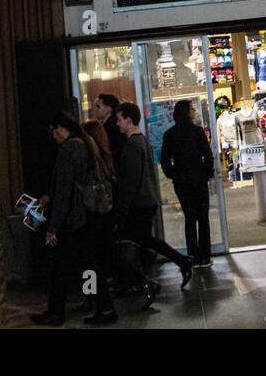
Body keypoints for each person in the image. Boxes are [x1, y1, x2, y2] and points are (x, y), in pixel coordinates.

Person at [31, 113, 117, 327]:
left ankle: (89, 309)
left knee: (69, 266)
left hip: (74, 219)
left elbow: (65, 188)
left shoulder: (70, 148)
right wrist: (49, 195)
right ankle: (99, 307)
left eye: (53, 131)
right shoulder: (84, 143)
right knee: (85, 264)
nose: (53, 136)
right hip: (85, 216)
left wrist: (54, 227)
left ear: (61, 128)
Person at [111, 102, 193, 305]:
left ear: (129, 120)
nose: (117, 124)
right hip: (147, 201)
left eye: (119, 119)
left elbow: (131, 180)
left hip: (137, 205)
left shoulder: (132, 146)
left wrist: (122, 208)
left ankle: (146, 280)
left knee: (137, 242)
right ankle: (177, 264)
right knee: (145, 241)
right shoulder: (144, 142)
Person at [160, 100, 215, 268]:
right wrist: (206, 173)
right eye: (191, 109)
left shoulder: (169, 134)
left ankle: (192, 255)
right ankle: (205, 256)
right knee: (203, 218)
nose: (194, 111)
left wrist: (173, 175)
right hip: (198, 179)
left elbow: (164, 161)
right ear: (186, 112)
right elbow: (207, 155)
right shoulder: (197, 132)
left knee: (189, 218)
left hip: (182, 182)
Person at [80, 119, 119, 299]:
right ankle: (94, 298)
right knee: (101, 256)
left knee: (91, 259)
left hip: (94, 216)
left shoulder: (93, 161)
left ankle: (93, 298)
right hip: (105, 214)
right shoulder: (107, 159)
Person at [92, 94, 125, 161]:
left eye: (98, 107)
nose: (96, 110)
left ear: (108, 109)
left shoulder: (114, 127)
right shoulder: (104, 125)